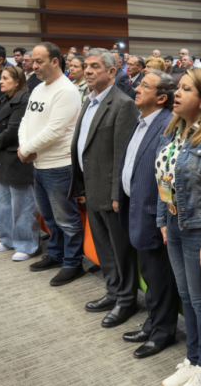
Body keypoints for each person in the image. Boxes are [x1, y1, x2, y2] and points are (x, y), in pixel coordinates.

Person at [155, 68, 201, 386]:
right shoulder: (177, 129)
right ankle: (193, 357)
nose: (177, 93)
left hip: (199, 228)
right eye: (179, 88)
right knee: (187, 296)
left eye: (186, 89)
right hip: (174, 222)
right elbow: (165, 178)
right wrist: (162, 219)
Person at [67, 48, 140, 327]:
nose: (87, 71)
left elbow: (123, 155)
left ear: (111, 72)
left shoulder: (123, 104)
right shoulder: (89, 100)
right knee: (103, 247)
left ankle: (126, 299)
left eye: (95, 66)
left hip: (111, 192)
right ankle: (112, 291)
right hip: (91, 183)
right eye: (86, 66)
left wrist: (116, 194)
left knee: (120, 250)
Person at [118, 70, 180, 360]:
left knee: (159, 279)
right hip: (135, 207)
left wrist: (162, 219)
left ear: (161, 98)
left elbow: (166, 177)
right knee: (150, 276)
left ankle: (162, 332)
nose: (137, 89)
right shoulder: (142, 121)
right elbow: (132, 162)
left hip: (154, 215)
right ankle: (152, 322)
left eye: (145, 86)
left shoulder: (167, 125)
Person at [19, 42, 85, 286]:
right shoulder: (38, 88)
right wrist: (24, 147)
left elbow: (55, 130)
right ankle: (56, 254)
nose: (33, 66)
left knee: (66, 219)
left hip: (59, 166)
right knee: (48, 215)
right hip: (38, 163)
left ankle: (73, 263)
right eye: (32, 61)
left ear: (55, 61)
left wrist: (26, 149)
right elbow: (26, 120)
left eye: (39, 61)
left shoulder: (66, 91)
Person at [0, 66, 40, 260]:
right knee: (3, 202)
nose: (0, 81)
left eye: (5, 78)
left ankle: (26, 244)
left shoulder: (23, 100)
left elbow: (14, 130)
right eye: (1, 78)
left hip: (15, 158)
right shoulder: (2, 99)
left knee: (22, 204)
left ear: (17, 82)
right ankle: (7, 239)